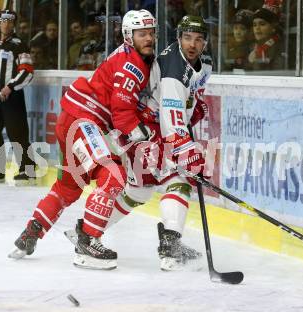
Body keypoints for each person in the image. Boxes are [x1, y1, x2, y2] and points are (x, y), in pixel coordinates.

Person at [9, 9, 158, 271]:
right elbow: (122, 114)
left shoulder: (129, 56)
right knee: (114, 175)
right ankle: (88, 241)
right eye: (142, 33)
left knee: (69, 187)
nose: (149, 38)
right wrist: (142, 133)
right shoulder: (132, 65)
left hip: (74, 119)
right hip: (84, 121)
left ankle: (32, 231)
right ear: (128, 35)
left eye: (152, 33)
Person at [103, 15, 213, 271]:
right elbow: (171, 119)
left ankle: (89, 229)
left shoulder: (205, 61)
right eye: (187, 38)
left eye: (198, 39)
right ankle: (170, 246)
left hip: (154, 128)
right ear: (178, 38)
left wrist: (193, 107)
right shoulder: (174, 69)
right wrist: (187, 151)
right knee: (177, 179)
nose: (192, 44)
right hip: (145, 129)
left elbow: (190, 96)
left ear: (205, 43)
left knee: (138, 191)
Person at [0, 10, 35, 185]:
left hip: (12, 96)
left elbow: (27, 71)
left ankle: (29, 172)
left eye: (10, 21)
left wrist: (10, 87)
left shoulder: (19, 45)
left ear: (14, 24)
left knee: (18, 134)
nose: (7, 24)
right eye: (4, 20)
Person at [247, 6, 286, 71]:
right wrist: (249, 62)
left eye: (262, 24)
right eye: (254, 25)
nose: (257, 28)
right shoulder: (252, 47)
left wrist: (254, 63)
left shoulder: (282, 46)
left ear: (273, 27)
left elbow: (277, 74)